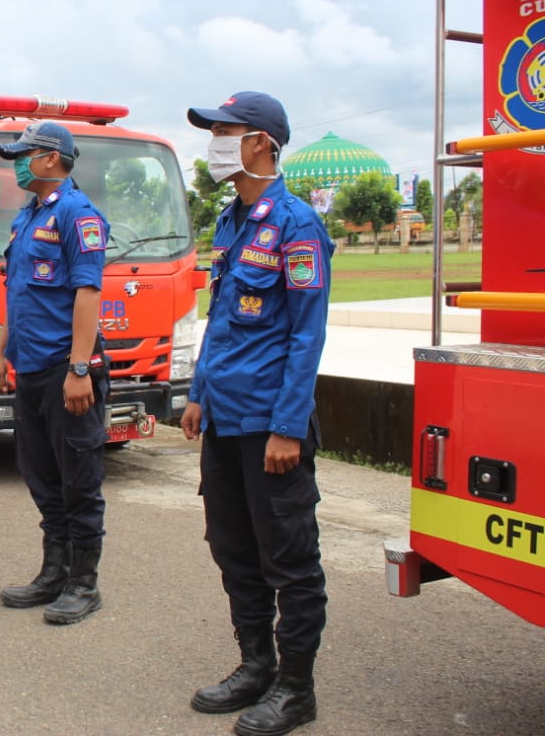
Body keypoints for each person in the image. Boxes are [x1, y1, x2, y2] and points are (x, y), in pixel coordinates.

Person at [180, 92, 331, 736]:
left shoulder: (297, 224)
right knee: (232, 546)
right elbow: (220, 321)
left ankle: (297, 687)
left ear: (262, 142)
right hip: (224, 419)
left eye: (225, 130)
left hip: (272, 426)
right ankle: (255, 665)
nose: (215, 140)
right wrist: (196, 393)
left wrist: (288, 427)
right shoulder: (229, 223)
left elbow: (306, 333)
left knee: (288, 556)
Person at [0, 121, 111, 626]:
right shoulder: (27, 218)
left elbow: (88, 292)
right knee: (41, 475)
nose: (17, 163)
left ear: (49, 159)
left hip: (67, 368)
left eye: (23, 154)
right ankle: (54, 571)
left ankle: (83, 583)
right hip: (32, 368)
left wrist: (79, 368)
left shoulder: (77, 214)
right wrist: (2, 353)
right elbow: (16, 294)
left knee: (78, 479)